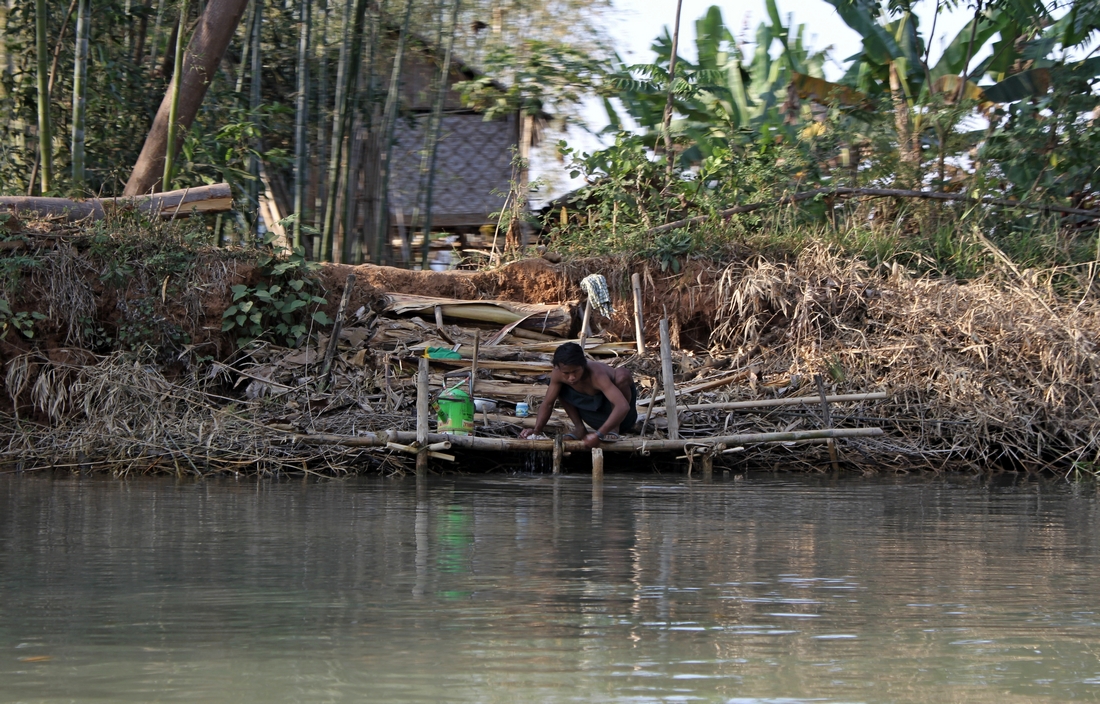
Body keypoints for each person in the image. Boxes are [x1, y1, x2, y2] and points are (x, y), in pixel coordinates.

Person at [519, 342, 637, 449]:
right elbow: (548, 404)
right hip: (592, 416)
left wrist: (599, 434)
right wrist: (536, 431)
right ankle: (579, 428)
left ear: (583, 365)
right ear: (558, 368)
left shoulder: (597, 375)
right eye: (566, 373)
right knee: (558, 387)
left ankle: (613, 429)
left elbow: (623, 406)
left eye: (575, 371)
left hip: (622, 419)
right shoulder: (558, 374)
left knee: (622, 374)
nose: (572, 377)